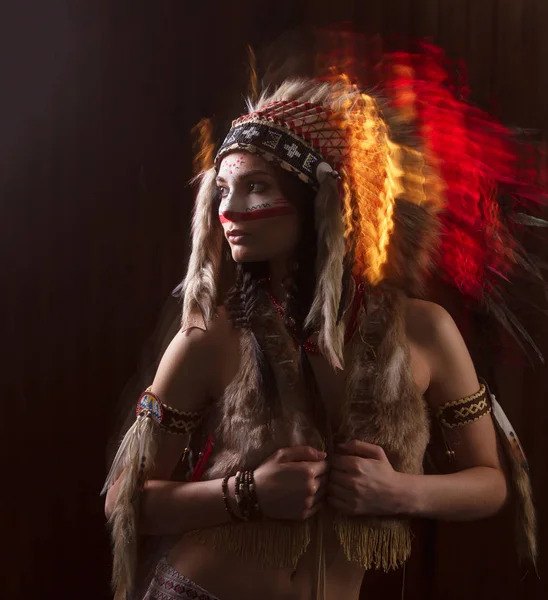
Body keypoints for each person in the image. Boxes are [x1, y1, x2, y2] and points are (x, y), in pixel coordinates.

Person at [102, 55, 541, 600]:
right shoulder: (210, 337)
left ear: (324, 201)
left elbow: (491, 482)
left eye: (256, 187)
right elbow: (126, 497)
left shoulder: (425, 331)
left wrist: (399, 491)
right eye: (223, 192)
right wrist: (248, 494)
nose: (229, 211)